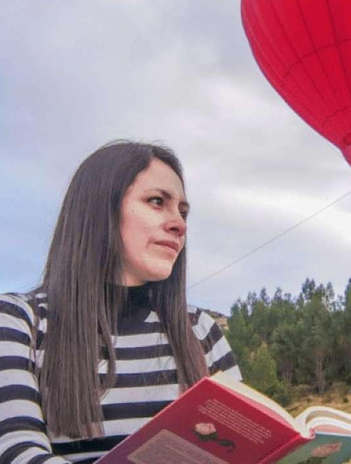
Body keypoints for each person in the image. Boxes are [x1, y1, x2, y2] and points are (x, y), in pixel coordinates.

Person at [0, 141, 241, 463]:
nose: (179, 224)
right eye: (157, 202)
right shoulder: (18, 321)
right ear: (100, 208)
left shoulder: (201, 331)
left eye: (183, 212)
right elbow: (15, 451)